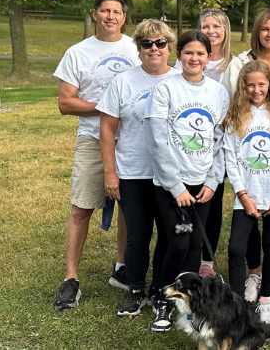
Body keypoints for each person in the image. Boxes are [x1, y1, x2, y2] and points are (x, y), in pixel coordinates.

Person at [53, 0, 140, 312]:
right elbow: (65, 102)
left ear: (124, 16)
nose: (110, 16)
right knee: (81, 209)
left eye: (116, 11)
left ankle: (122, 267)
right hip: (92, 140)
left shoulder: (137, 48)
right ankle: (71, 278)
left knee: (130, 210)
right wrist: (107, 108)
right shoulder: (78, 52)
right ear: (95, 14)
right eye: (105, 10)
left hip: (131, 142)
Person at [147, 30, 230, 332]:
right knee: (178, 242)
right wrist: (176, 185)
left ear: (209, 57)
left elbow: (222, 141)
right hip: (171, 183)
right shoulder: (166, 89)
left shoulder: (218, 93)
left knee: (195, 243)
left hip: (203, 183)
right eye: (188, 52)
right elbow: (156, 141)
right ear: (178, 54)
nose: (194, 58)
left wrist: (212, 181)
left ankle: (190, 305)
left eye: (200, 53)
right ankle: (162, 300)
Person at [97, 19, 180, 319]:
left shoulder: (182, 79)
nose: (154, 49)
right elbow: (107, 130)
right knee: (138, 235)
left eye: (160, 43)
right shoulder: (124, 82)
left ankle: (160, 289)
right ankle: (135, 290)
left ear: (170, 47)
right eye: (147, 43)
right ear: (139, 47)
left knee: (169, 235)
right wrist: (110, 173)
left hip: (170, 173)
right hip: (133, 171)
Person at [221, 61, 270, 325]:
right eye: (251, 84)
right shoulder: (236, 116)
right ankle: (237, 305)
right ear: (243, 86)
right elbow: (231, 159)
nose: (256, 89)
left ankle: (265, 298)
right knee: (237, 248)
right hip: (246, 195)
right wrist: (243, 195)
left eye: (262, 84)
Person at [195, 7, 234, 278]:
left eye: (216, 26)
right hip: (192, 141)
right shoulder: (191, 58)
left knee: (214, 198)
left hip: (222, 140)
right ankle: (189, 254)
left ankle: (207, 260)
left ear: (225, 31)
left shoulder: (234, 64)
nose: (211, 31)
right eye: (206, 26)